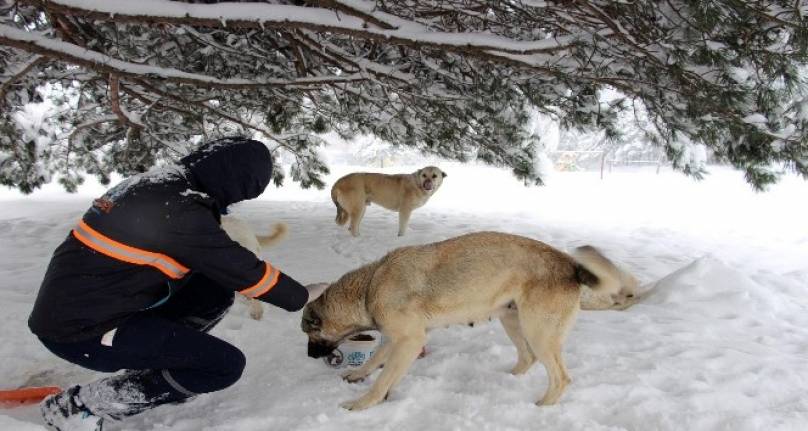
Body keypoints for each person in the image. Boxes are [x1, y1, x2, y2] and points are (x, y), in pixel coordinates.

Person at [28, 137, 326, 431]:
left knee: (213, 292)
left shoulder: (158, 185)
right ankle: (79, 406)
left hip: (84, 307)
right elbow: (239, 267)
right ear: (232, 180)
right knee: (223, 365)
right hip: (82, 332)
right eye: (241, 193)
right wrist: (301, 296)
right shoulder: (180, 211)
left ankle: (160, 370)